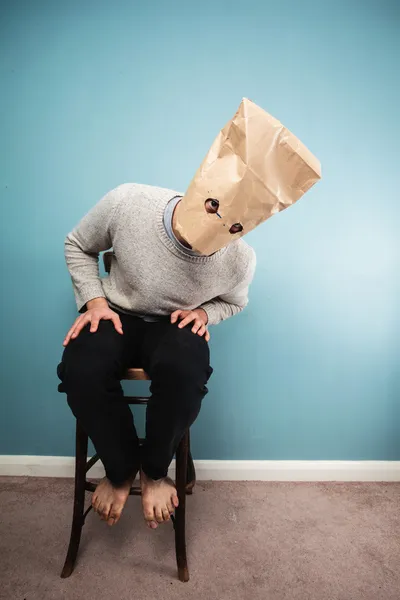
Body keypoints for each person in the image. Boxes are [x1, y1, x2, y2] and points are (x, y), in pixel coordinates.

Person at [57, 182, 256, 529]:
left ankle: (154, 471)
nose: (220, 227)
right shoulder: (129, 202)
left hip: (173, 325)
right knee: (81, 369)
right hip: (116, 311)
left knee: (186, 371)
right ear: (199, 189)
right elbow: (78, 244)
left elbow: (234, 301)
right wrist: (95, 302)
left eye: (235, 226)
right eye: (214, 209)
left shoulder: (240, 259)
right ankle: (120, 470)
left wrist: (205, 314)